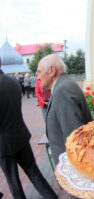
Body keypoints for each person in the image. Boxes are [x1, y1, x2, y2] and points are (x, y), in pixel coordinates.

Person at [0, 57, 58, 199]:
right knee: (34, 172)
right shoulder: (12, 82)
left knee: (13, 181)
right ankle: (52, 197)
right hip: (20, 136)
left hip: (3, 143)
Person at [36, 54, 92, 166]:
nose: (37, 77)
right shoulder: (62, 85)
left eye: (39, 72)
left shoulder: (62, 90)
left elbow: (74, 136)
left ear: (52, 70)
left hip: (70, 163)